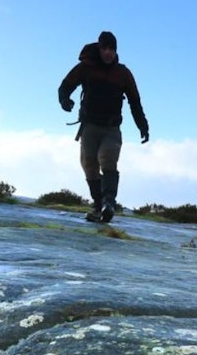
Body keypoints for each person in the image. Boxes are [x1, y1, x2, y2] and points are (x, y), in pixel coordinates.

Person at [57, 30, 149, 223]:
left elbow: (135, 101)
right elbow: (65, 85)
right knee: (89, 165)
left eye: (112, 49)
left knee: (107, 159)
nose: (108, 52)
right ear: (99, 49)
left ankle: (109, 203)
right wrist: (65, 101)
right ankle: (99, 207)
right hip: (89, 126)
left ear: (116, 51)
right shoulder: (86, 68)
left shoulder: (123, 73)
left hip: (111, 129)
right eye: (105, 48)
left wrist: (143, 126)